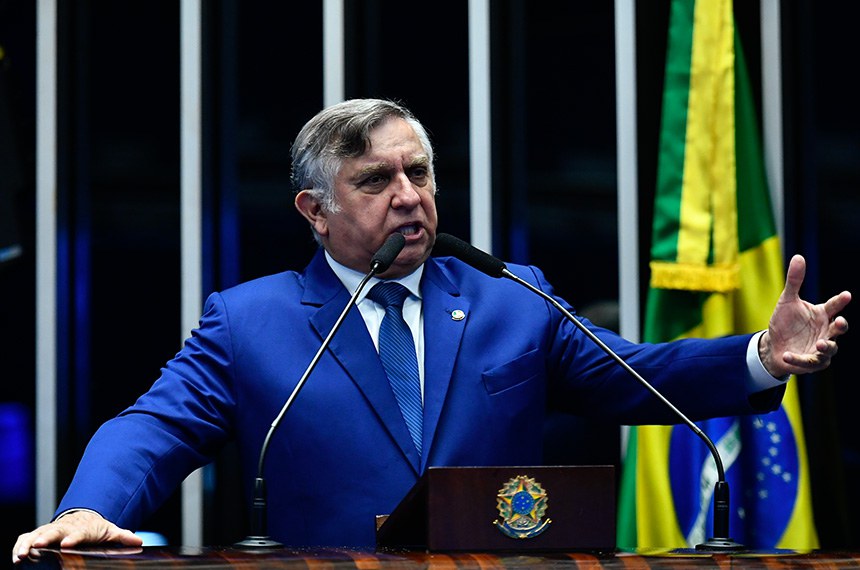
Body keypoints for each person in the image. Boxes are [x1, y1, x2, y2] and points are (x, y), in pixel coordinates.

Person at [13, 98, 851, 561]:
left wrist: (758, 356)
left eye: (419, 172)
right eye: (376, 179)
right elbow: (153, 427)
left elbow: (636, 377)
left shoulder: (511, 297)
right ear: (316, 210)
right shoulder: (250, 322)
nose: (409, 195)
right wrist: (90, 506)